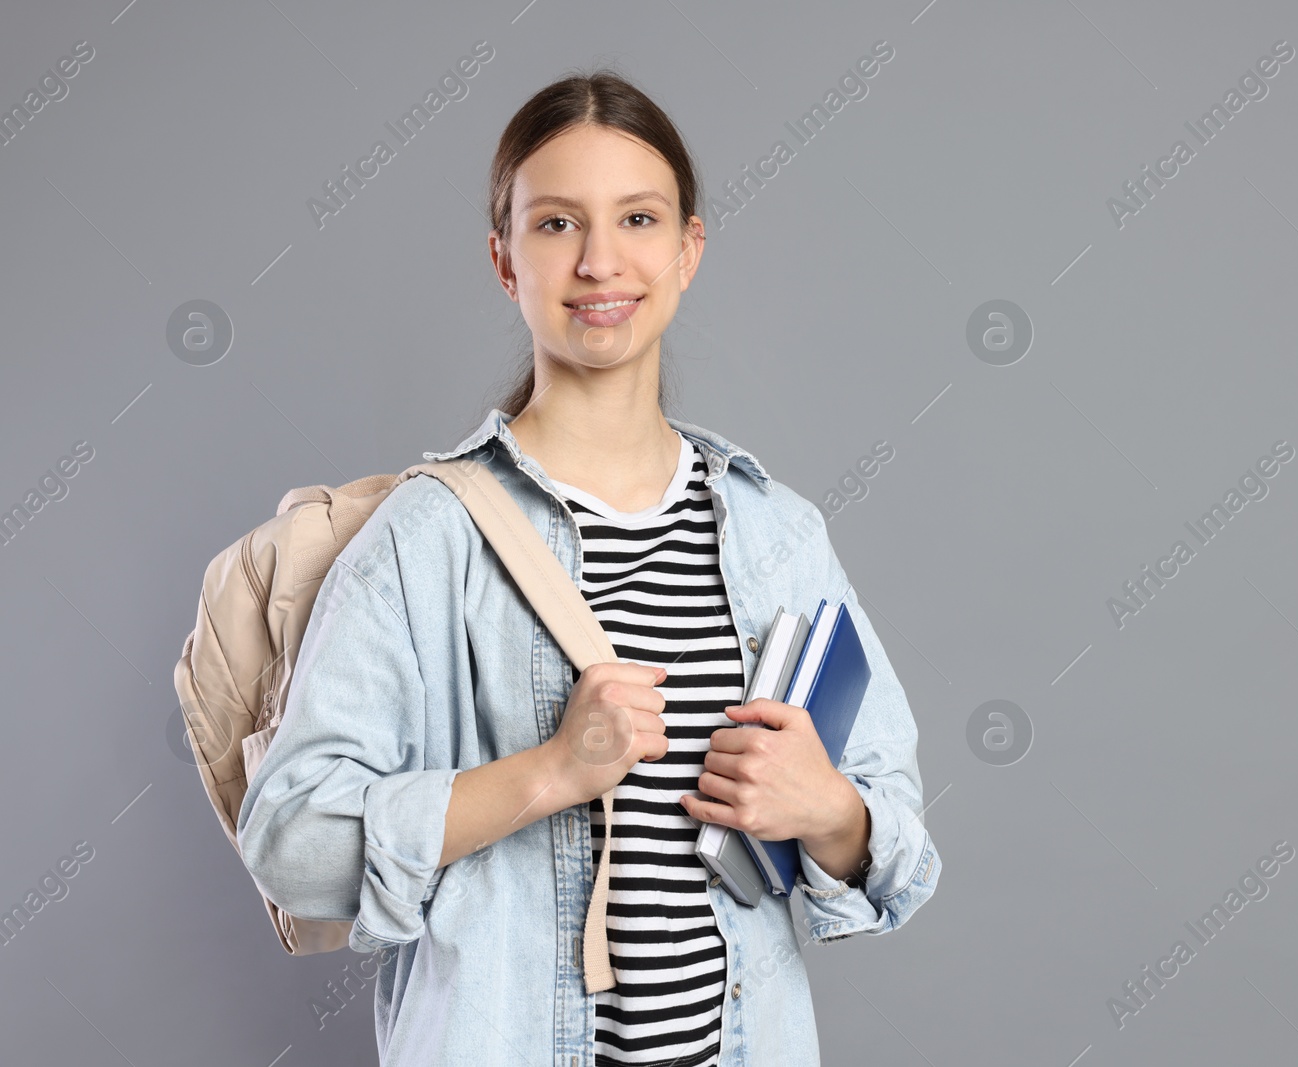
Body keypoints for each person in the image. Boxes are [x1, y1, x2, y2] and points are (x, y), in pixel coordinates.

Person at [236, 68, 941, 1067]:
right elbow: (293, 845)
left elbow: (900, 855)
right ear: (503, 259)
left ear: (688, 249)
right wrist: (548, 771)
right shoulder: (429, 536)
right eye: (557, 224)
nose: (600, 260)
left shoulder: (775, 532)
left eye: (639, 219)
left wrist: (829, 809)